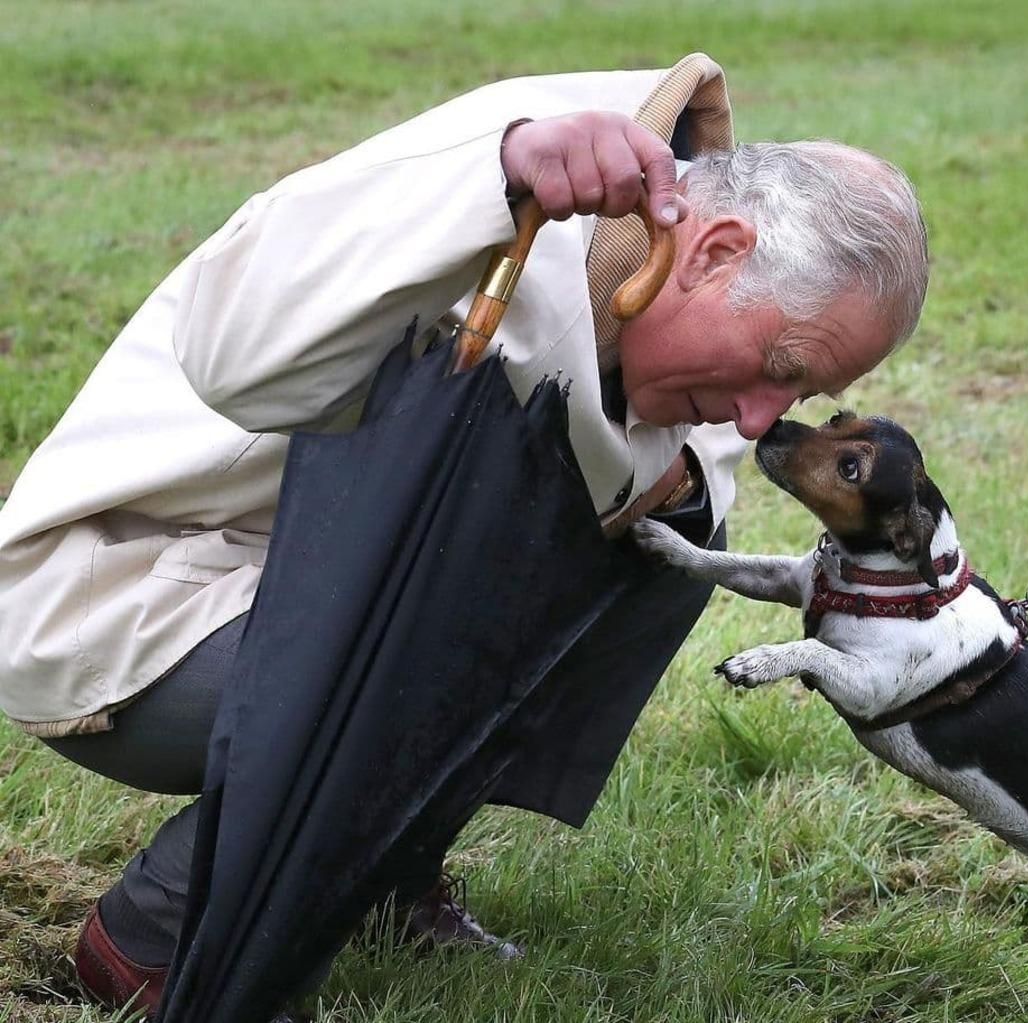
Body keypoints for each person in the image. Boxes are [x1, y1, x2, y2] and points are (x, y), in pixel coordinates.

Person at [0, 53, 927, 1017]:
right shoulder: (520, 160)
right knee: (465, 609)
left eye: (800, 395)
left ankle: (374, 872)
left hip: (314, 586)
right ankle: (154, 926)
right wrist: (495, 179)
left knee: (662, 556)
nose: (756, 418)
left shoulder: (665, 251)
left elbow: (661, 473)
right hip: (125, 591)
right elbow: (229, 349)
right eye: (777, 366)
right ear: (715, 251)